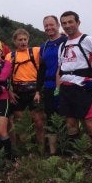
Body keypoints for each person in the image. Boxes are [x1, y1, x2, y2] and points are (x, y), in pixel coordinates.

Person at [56, 11, 92, 149]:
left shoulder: (87, 40)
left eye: (70, 22)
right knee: (70, 123)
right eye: (64, 23)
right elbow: (60, 69)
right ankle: (76, 153)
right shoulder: (62, 45)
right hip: (66, 89)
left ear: (78, 22)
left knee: (90, 124)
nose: (67, 25)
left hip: (83, 88)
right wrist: (57, 90)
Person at [6, 29, 44, 149]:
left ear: (28, 40)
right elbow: (5, 76)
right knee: (21, 123)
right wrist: (9, 92)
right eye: (20, 40)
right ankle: (25, 150)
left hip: (34, 91)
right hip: (18, 93)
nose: (23, 42)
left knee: (38, 122)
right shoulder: (10, 56)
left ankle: (41, 149)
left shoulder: (36, 51)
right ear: (14, 41)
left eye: (25, 39)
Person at [36, 15, 67, 155]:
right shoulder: (44, 46)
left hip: (65, 85)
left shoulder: (66, 41)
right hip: (49, 87)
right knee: (51, 119)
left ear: (58, 25)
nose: (49, 28)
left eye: (51, 25)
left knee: (66, 118)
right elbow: (41, 70)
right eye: (46, 26)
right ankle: (53, 153)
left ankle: (67, 150)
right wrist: (38, 90)